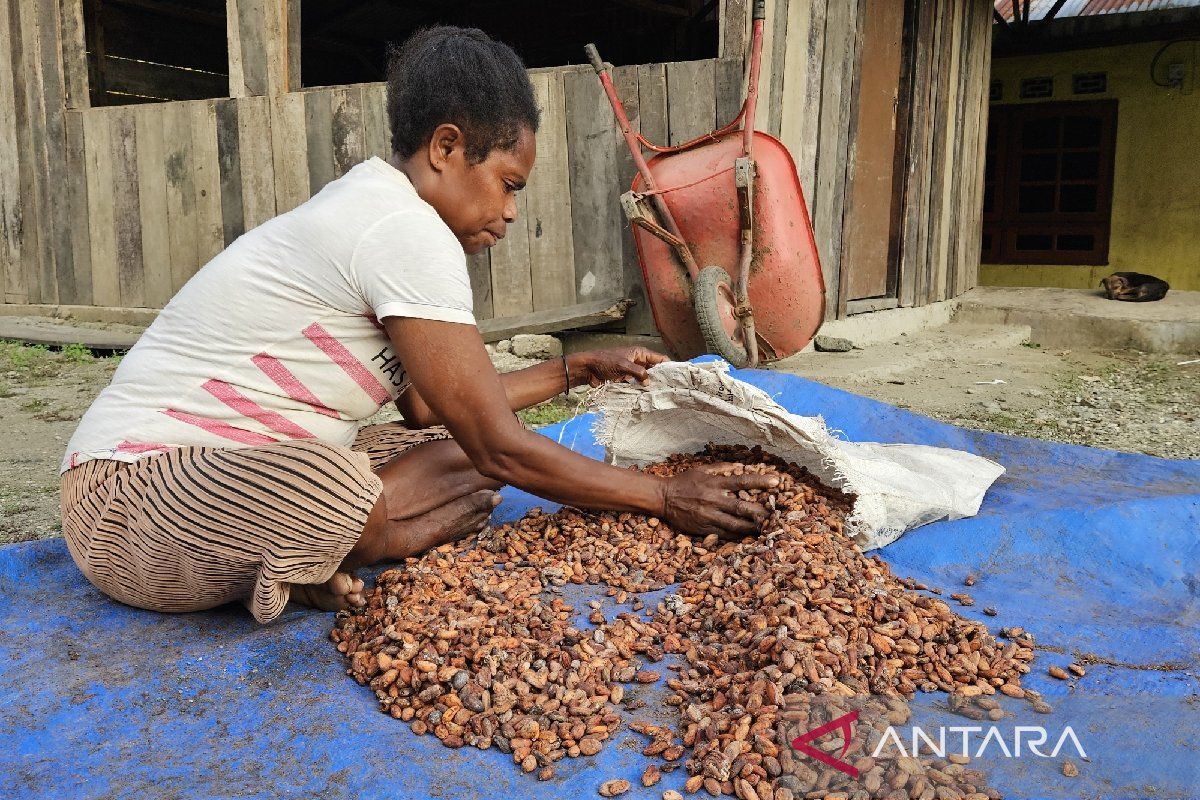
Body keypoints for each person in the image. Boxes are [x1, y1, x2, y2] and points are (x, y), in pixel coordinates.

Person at [59, 26, 775, 624]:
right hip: (128, 499)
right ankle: (356, 541)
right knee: (354, 480)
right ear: (445, 148)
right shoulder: (402, 228)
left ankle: (322, 548)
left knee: (443, 443)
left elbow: (436, 409)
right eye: (508, 184)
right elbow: (500, 447)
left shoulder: (386, 211)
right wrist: (664, 497)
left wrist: (576, 369)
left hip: (235, 470)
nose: (511, 213)